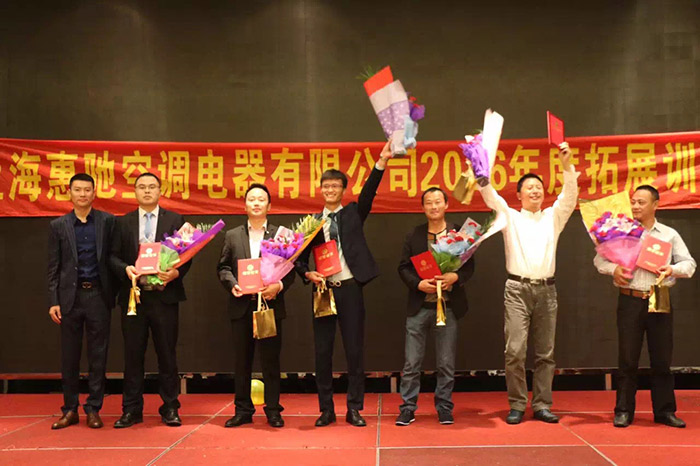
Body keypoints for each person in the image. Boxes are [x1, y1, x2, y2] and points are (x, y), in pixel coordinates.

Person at [295, 140, 393, 427]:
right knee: (322, 352)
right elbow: (298, 259)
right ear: (320, 190)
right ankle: (326, 409)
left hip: (350, 288)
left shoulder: (353, 213)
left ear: (342, 189)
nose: (330, 190)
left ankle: (354, 408)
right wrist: (307, 274)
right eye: (326, 186)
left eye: (335, 186)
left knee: (354, 350)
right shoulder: (312, 222)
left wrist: (381, 162)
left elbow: (369, 192)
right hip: (323, 291)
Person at [478, 142, 577, 424]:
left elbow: (569, 196)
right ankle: (517, 404)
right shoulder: (509, 217)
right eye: (529, 187)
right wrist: (480, 168)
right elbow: (490, 195)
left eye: (539, 187)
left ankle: (543, 404)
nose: (535, 191)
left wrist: (567, 166)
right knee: (514, 351)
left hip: (547, 290)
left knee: (546, 353)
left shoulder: (553, 217)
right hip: (517, 290)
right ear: (519, 194)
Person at [594, 185, 696, 428]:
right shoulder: (621, 231)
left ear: (655, 205)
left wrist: (672, 269)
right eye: (633, 201)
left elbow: (689, 264)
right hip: (630, 298)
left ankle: (664, 411)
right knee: (627, 359)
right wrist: (614, 269)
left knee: (661, 359)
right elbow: (599, 259)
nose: (635, 206)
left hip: (659, 297)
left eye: (641, 202)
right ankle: (623, 410)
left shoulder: (668, 234)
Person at [109, 172, 191, 428]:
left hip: (164, 297)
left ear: (160, 191)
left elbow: (187, 255)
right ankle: (131, 409)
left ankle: (170, 407)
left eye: (151, 187)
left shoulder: (175, 220)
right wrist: (125, 269)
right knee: (133, 355)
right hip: (134, 297)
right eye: (142, 187)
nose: (147, 191)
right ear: (134, 191)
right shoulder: (122, 222)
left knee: (167, 354)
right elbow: (112, 256)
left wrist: (176, 273)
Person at [216, 183, 295, 428]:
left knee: (271, 361)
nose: (256, 203)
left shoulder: (281, 235)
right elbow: (223, 267)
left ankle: (273, 410)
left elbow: (291, 270)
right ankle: (243, 410)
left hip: (269, 305)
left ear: (269, 205)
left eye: (261, 199)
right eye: (252, 199)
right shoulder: (233, 235)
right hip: (242, 305)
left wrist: (277, 287)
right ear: (245, 205)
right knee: (242, 362)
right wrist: (232, 285)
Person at [395, 187, 474, 426]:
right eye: (429, 203)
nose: (434, 206)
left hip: (448, 307)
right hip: (419, 307)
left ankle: (444, 407)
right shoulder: (415, 235)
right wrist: (418, 284)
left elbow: (469, 267)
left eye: (438, 202)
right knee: (411, 363)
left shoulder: (458, 234)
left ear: (446, 205)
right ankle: (408, 408)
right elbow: (403, 268)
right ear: (423, 208)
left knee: (446, 363)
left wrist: (455, 277)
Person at [47, 173, 115, 429]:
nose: (83, 194)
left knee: (98, 356)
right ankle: (70, 409)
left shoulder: (108, 221)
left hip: (98, 295)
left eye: (87, 190)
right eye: (78, 190)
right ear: (70, 193)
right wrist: (54, 300)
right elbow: (53, 266)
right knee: (69, 357)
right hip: (69, 299)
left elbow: (113, 258)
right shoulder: (58, 226)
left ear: (94, 193)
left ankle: (94, 408)